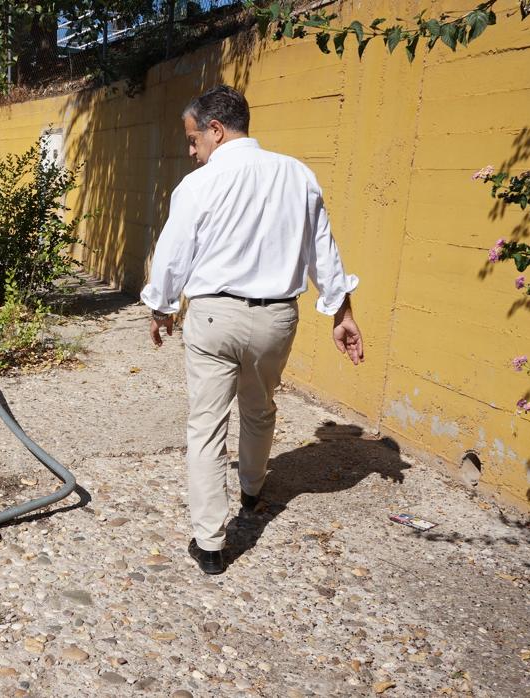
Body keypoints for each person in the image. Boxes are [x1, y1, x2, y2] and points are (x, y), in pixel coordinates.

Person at [141, 85, 364, 576]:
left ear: (216, 131)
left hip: (214, 318)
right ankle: (252, 490)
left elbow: (174, 255)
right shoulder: (297, 174)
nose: (191, 149)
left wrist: (160, 310)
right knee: (259, 409)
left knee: (206, 425)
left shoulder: (197, 185)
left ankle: (210, 544)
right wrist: (341, 314)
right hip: (276, 319)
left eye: (194, 139)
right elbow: (322, 251)